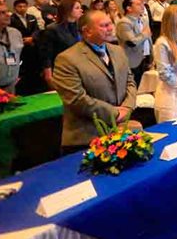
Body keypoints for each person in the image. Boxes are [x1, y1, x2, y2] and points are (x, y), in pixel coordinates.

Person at [53, 10, 136, 152]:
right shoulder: (67, 59)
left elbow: (130, 81)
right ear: (87, 31)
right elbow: (76, 99)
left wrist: (127, 107)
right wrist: (114, 113)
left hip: (121, 133)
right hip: (86, 138)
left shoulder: (118, 51)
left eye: (110, 23)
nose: (110, 28)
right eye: (104, 25)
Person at [39, 0, 83, 88]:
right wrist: (48, 75)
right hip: (61, 69)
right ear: (68, 10)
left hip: (78, 68)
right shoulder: (52, 29)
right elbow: (46, 55)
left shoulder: (80, 27)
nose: (81, 10)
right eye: (77, 8)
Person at [116, 0, 152, 86]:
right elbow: (132, 42)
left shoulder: (142, 20)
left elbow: (148, 39)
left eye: (142, 4)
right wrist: (145, 34)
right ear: (129, 8)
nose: (142, 6)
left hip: (144, 57)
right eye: (138, 4)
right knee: (131, 86)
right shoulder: (124, 22)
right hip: (131, 61)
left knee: (139, 84)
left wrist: (151, 55)